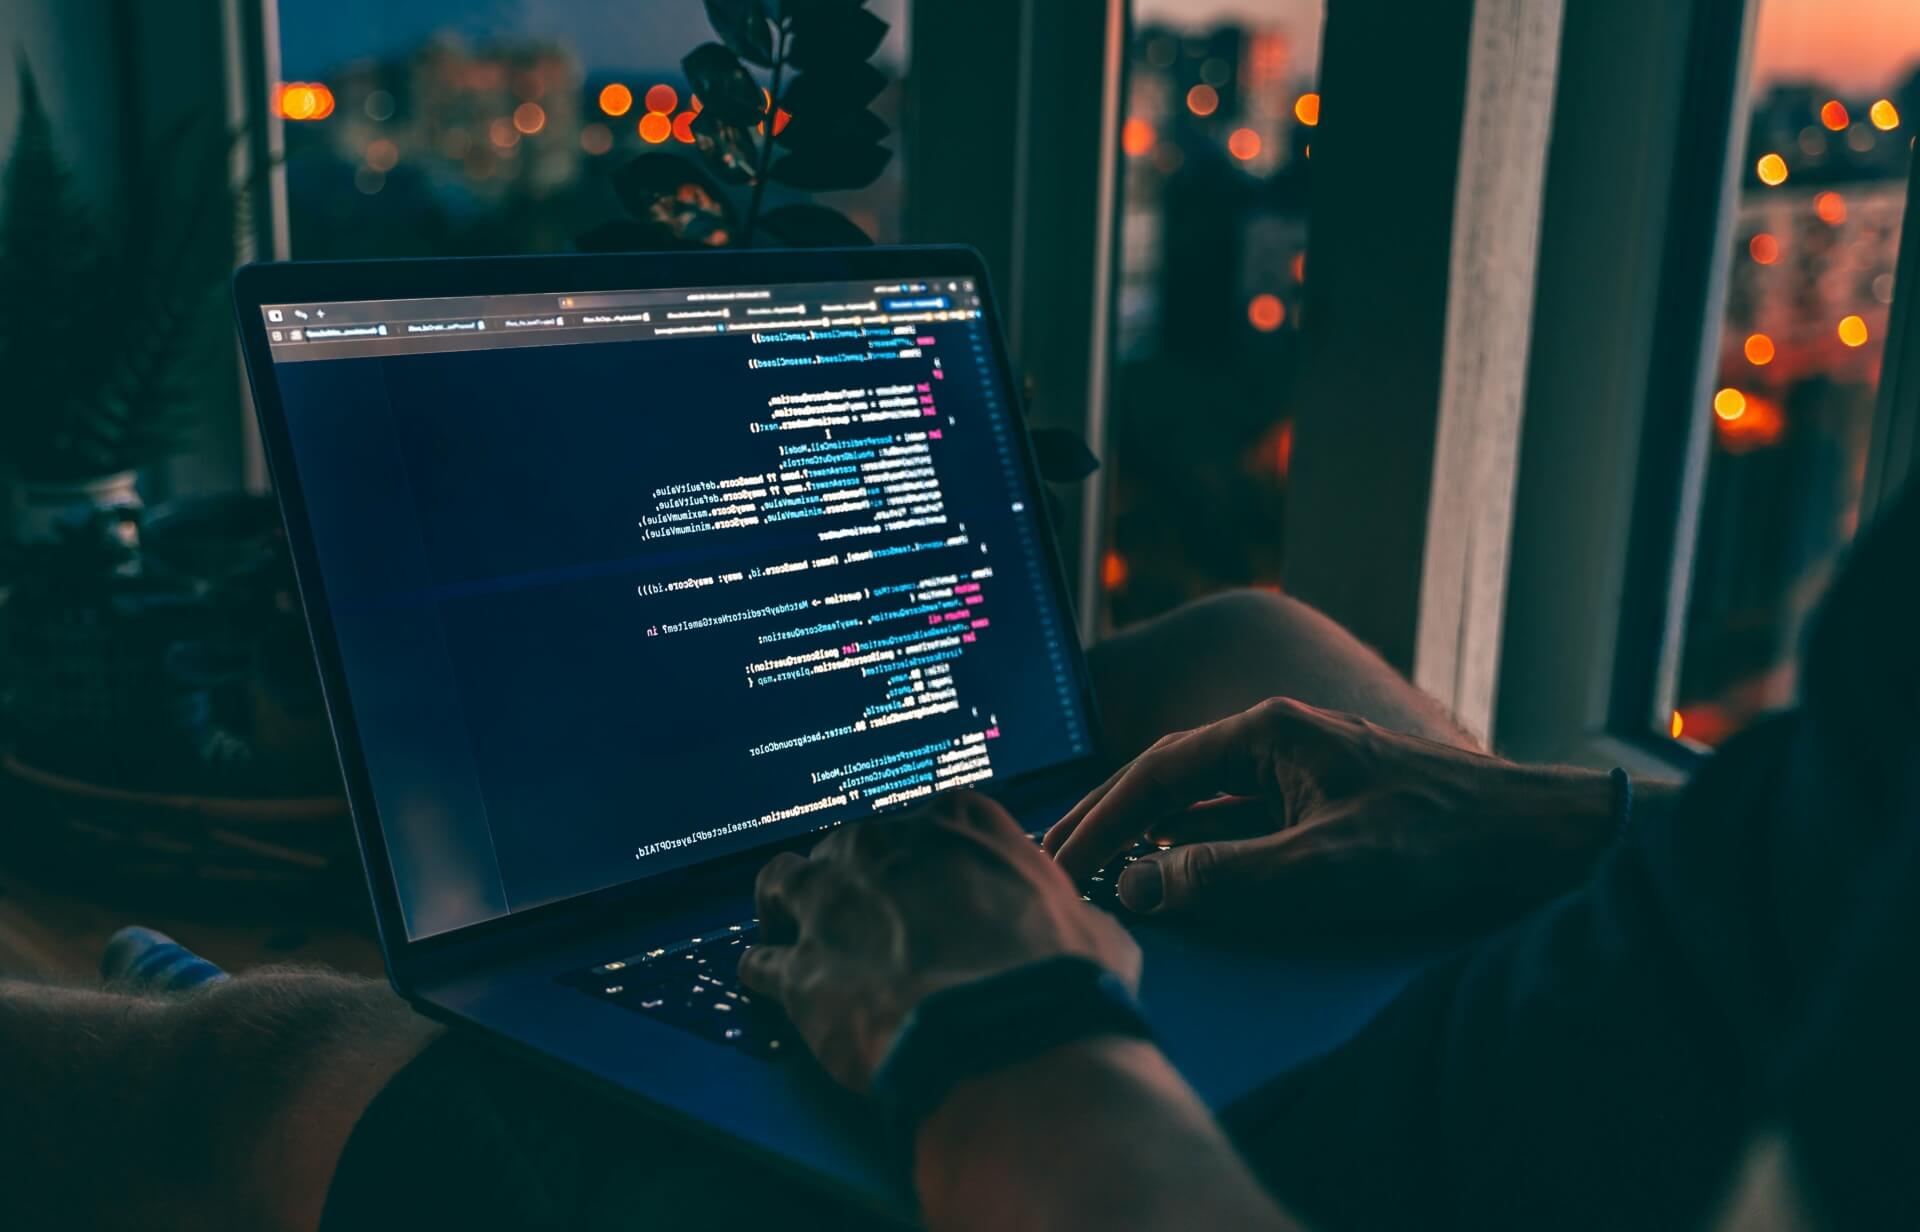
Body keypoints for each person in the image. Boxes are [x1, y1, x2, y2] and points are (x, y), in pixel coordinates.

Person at [4, 480, 1915, 1230]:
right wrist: (1573, 816)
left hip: (1211, 1169)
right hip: (1625, 980)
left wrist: (1000, 1029)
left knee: (288, 1050)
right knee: (1243, 650)